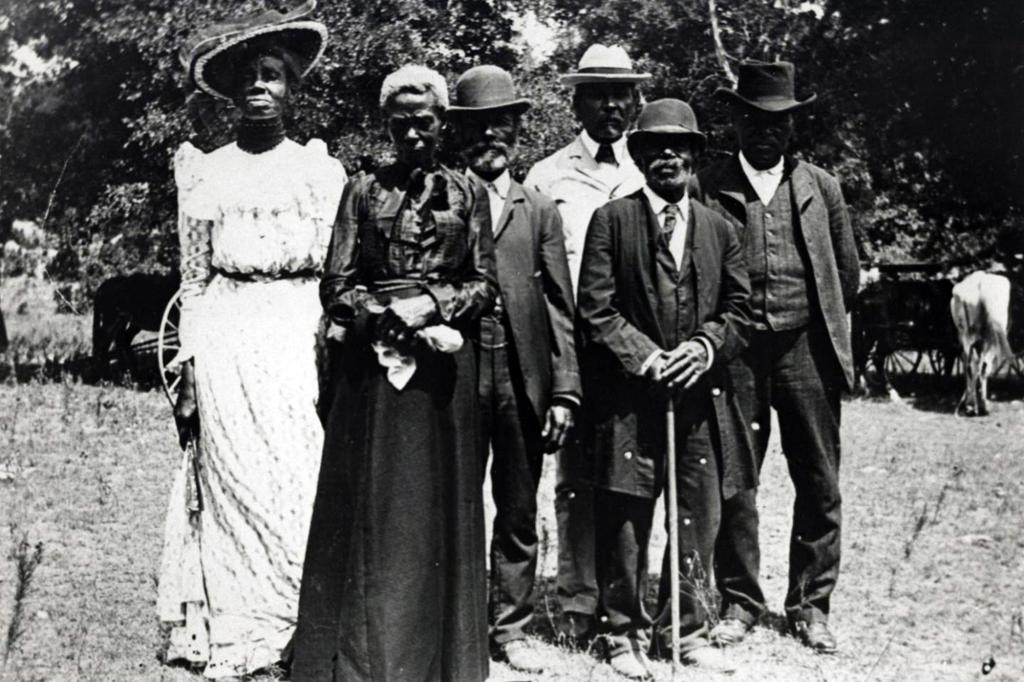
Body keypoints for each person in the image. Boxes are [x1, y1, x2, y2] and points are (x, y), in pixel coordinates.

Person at [157, 3, 347, 678]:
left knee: (293, 478)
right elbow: (196, 278)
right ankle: (241, 635)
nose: (259, 88)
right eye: (248, 77)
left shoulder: (319, 173)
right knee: (233, 481)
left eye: (273, 75)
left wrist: (330, 347)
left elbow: (336, 276)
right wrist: (191, 364)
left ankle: (296, 625)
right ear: (233, 92)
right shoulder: (207, 172)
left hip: (296, 335)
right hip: (229, 334)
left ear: (293, 87)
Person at [291, 65, 497, 682]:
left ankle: (439, 661)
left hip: (441, 377)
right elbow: (336, 281)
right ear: (387, 125)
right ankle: (358, 658)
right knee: (369, 510)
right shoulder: (361, 191)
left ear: (442, 125)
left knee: (436, 511)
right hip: (372, 371)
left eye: (424, 122)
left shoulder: (468, 194)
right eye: (400, 123)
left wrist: (432, 305)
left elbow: (484, 284)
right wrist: (379, 314)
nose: (412, 134)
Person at [577, 98, 755, 678]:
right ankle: (620, 632)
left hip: (699, 399)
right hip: (631, 399)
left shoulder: (720, 228)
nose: (668, 156)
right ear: (639, 155)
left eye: (679, 146)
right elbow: (596, 311)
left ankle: (687, 628)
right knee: (627, 511)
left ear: (697, 157)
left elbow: (739, 309)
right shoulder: (613, 220)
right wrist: (649, 358)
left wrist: (703, 348)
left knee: (696, 514)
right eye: (654, 147)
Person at [692, 60, 860, 654]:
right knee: (736, 480)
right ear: (736, 120)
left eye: (780, 121)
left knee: (819, 480)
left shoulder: (822, 188)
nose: (767, 130)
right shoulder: (706, 186)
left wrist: (817, 327)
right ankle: (739, 601)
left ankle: (811, 606)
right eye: (755, 118)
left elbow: (847, 272)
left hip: (806, 350)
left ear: (793, 127)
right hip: (735, 355)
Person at [448, 65, 580, 673]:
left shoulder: (541, 208)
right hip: (457, 373)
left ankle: (513, 625)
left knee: (518, 506)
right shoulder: (442, 199)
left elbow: (559, 305)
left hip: (523, 373)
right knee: (456, 500)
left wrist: (564, 392)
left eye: (500, 125)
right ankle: (458, 620)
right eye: (477, 127)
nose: (489, 138)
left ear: (517, 131)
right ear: (460, 134)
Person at [522, 43, 647, 643]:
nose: (611, 105)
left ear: (635, 100)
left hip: (634, 351)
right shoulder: (546, 176)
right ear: (576, 100)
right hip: (572, 349)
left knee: (630, 478)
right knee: (574, 477)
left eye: (621, 93)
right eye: (597, 92)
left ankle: (627, 596)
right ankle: (575, 600)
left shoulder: (651, 169)